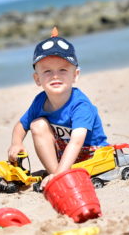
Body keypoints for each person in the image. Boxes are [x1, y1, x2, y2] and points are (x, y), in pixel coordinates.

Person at [7, 27, 109, 188]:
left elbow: (76, 142)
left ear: (75, 75)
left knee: (69, 155)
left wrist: (60, 174)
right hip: (63, 156)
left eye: (62, 69)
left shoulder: (80, 105)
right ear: (37, 78)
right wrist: (16, 142)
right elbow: (21, 125)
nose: (55, 75)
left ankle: (59, 177)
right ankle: (57, 175)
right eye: (47, 71)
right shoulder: (40, 101)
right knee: (37, 124)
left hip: (90, 154)